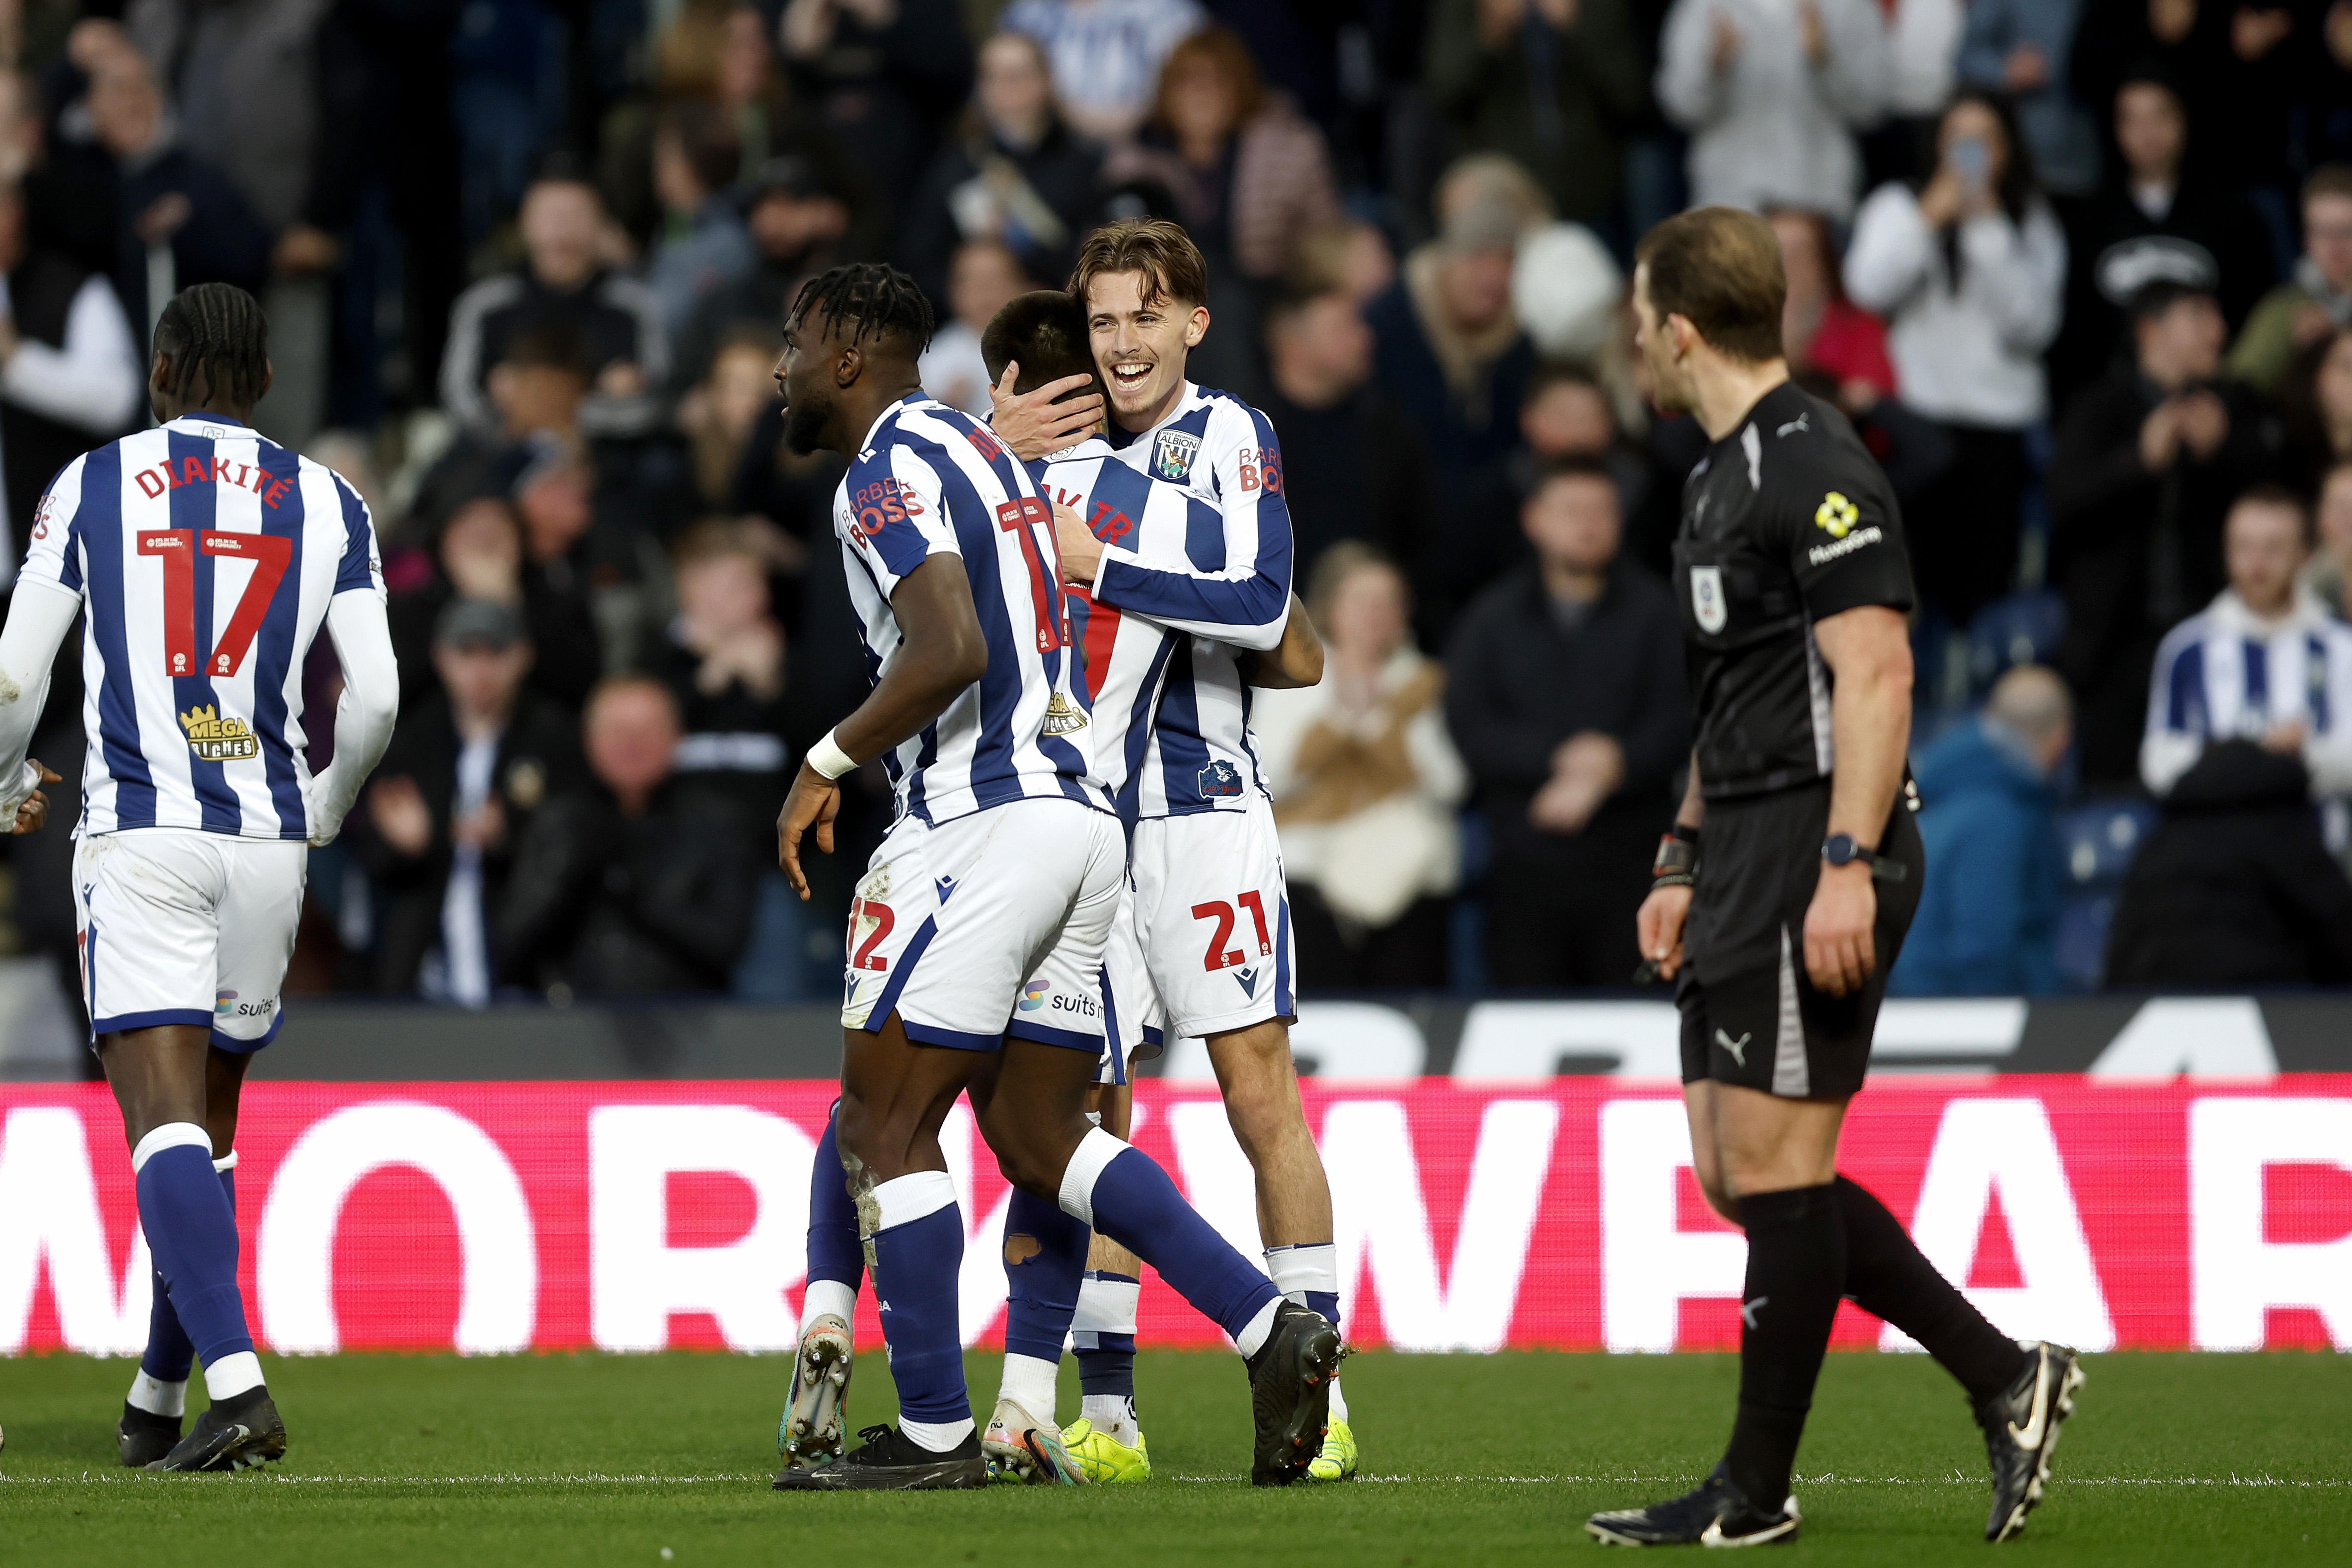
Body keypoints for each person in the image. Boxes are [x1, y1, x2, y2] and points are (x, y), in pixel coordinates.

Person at [765, 261, 1338, 1491]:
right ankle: (1267, 1326)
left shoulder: (902, 466)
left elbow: (951, 647)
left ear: (854, 357)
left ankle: (930, 1432)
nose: (778, 367)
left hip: (981, 820)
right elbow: (1293, 638)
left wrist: (823, 760)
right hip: (1091, 825)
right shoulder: (1018, 470)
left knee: (881, 1118)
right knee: (1041, 1131)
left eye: (794, 343)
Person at [1591, 208, 2080, 1546]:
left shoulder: (1812, 462)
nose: (1630, 334)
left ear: (1676, 327)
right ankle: (2003, 1370)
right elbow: (1732, 698)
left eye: (1639, 312)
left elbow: (1876, 671)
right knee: (1736, 1172)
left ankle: (1751, 1491)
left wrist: (1845, 865)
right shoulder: (1710, 475)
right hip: (1740, 842)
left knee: (1774, 1164)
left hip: (1816, 839)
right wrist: (1678, 855)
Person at [978, 224, 1355, 1484]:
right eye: (1102, 321)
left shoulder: (1227, 436)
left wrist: (1105, 563)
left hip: (1201, 815)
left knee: (1258, 1095)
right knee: (1091, 1112)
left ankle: (1325, 1391)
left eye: (1148, 316)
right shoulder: (1039, 459)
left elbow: (1265, 611)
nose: (1124, 341)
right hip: (1076, 823)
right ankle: (1113, 1417)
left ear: (1193, 322)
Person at [0, 282, 399, 1471]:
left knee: (159, 1120)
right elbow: (373, 695)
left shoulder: (90, 484)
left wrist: (5, 777)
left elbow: (17, 679)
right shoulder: (331, 500)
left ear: (162, 368)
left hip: (144, 834)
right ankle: (159, 1391)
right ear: (265, 383)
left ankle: (237, 1386)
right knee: (212, 1125)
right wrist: (323, 803)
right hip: (268, 845)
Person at [1445, 455, 1689, 987]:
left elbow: (1682, 715)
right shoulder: (1491, 617)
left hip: (1634, 858)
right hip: (1522, 858)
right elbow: (1468, 725)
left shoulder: (1657, 611)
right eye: (1572, 509)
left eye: (1603, 510)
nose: (1589, 523)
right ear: (1533, 519)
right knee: (1521, 1027)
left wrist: (1614, 765)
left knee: (1634, 1024)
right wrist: (1556, 761)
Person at [1843, 90, 2066, 630]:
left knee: (1984, 590)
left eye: (1984, 140)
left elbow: (2033, 327)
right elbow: (1867, 289)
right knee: (1904, 585)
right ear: (1937, 143)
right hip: (1917, 423)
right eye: (1957, 139)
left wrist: (1987, 226)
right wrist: (1927, 220)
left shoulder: (2030, 220)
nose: (1969, 154)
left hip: (1998, 429)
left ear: (2007, 149)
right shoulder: (1899, 205)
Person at [2049, 279, 2279, 785]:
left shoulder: (2234, 407)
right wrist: (2138, 462)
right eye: (2200, 318)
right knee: (2109, 791)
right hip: (2111, 649)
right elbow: (2064, 507)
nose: (2219, 333)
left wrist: (2222, 453)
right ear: (2150, 331)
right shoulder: (2099, 406)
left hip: (2212, 636)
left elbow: (2279, 504)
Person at [351, 597, 585, 1000]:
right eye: (466, 653)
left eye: (496, 653)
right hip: (423, 966)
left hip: (527, 969)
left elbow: (576, 847)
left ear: (523, 657)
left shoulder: (553, 738)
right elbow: (369, 858)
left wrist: (510, 836)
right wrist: (406, 846)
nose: (481, 671)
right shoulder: (410, 741)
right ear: (441, 657)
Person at [1255, 543, 1464, 989]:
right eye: (1363, 602)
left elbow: (1451, 785)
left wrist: (1382, 723)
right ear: (1330, 609)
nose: (1378, 614)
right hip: (1308, 886)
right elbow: (1265, 777)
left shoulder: (1421, 682)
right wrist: (1339, 719)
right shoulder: (1288, 677)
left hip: (1411, 885)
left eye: (1390, 602)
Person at [493, 674, 756, 994]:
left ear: (677, 735)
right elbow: (511, 944)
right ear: (588, 739)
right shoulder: (559, 823)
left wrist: (636, 895)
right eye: (616, 731)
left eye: (646, 731)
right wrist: (570, 880)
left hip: (689, 1022)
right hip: (570, 1022)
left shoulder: (717, 824)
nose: (631, 744)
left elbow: (725, 943)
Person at [2049, 68, 2271, 407]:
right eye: (2131, 120)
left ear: (2184, 119)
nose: (2146, 133)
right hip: (2112, 406)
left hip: (2210, 403)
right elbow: (2074, 336)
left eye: (2159, 116)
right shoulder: (2085, 222)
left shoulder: (2233, 217)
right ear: (2114, 128)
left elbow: (2253, 319)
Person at [2141, 489, 2352, 825]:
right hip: (2213, 851)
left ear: (2304, 555)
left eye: (2272, 548)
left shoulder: (2340, 647)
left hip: (2313, 855)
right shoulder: (2186, 647)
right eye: (2243, 547)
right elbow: (2158, 764)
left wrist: (2302, 753)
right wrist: (2252, 753)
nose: (2257, 564)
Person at [2104, 736, 2352, 988]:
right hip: (2271, 1000)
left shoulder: (2160, 842)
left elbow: (2124, 945)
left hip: (2165, 999)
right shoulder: (2283, 830)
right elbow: (2337, 923)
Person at [440, 172, 668, 442]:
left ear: (602, 225)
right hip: (503, 455)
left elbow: (658, 400)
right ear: (524, 224)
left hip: (611, 460)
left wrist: (541, 405)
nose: (561, 229)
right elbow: (460, 398)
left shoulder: (635, 306)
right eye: (549, 215)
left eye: (575, 215)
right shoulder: (485, 305)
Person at [1888, 664, 2071, 997]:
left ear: (1987, 717)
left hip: (1911, 1006)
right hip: (1966, 1020)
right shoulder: (1999, 817)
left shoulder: (1937, 795)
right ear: (2061, 739)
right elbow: (1984, 945)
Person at [898, 29, 1104, 308]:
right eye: (991, 76)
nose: (1004, 87)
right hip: (974, 327)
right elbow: (919, 259)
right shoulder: (957, 167)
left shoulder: (1086, 165)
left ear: (1046, 81)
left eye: (1016, 75)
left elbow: (1100, 252)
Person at [0, 178, 143, 582]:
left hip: (54, 570)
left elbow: (117, 398)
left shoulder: (75, 290)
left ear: (14, 212)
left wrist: (17, 362)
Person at [1365, 193, 1539, 497]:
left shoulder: (1518, 343)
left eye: (1504, 262)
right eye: (1477, 259)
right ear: (1447, 260)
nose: (1490, 277)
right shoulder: (1387, 323)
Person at [1256, 285, 1431, 586]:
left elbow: (1418, 536)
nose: (1365, 339)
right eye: (1342, 329)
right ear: (1293, 345)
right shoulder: (1245, 432)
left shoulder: (1386, 427)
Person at [1654, 0, 1889, 222]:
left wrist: (1825, 62)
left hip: (1816, 200)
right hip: (1726, 200)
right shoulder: (1703, 7)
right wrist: (1714, 68)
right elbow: (1677, 107)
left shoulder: (1847, 7)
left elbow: (1871, 109)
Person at [1424, 0, 1646, 231]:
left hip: (1594, 188)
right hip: (1502, 191)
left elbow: (1631, 97)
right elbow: (1444, 94)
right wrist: (1492, 33)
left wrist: (1578, 26)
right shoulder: (1468, 8)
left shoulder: (1596, 7)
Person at [999, 0, 1206, 143]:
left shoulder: (1171, 11)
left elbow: (1200, 91)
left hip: (1161, 145)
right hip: (1052, 151)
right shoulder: (1025, 15)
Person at [2228, 165, 2352, 396]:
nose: (2335, 246)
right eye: (2323, 231)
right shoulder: (2284, 309)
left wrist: (2336, 338)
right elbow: (2238, 388)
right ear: (2307, 238)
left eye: (2347, 231)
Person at [645, 102, 757, 344]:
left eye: (666, 158)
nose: (658, 170)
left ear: (695, 163)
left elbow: (673, 320)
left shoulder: (727, 240)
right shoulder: (671, 227)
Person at [918, 237, 1032, 419]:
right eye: (975, 282)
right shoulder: (934, 359)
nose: (986, 293)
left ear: (1022, 285)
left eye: (996, 280)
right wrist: (945, 409)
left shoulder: (1042, 346)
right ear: (954, 291)